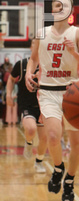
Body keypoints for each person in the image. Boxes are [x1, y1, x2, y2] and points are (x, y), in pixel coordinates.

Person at [25, 0, 79, 201]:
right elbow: (33, 60)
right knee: (53, 136)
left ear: (70, 11)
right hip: (47, 92)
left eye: (64, 5)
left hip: (72, 93)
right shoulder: (41, 33)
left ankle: (70, 181)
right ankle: (58, 167)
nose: (59, 8)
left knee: (77, 144)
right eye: (56, 5)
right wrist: (29, 72)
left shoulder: (78, 33)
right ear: (52, 10)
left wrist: (74, 54)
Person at [6, 40, 48, 172]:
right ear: (31, 47)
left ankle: (38, 162)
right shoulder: (22, 64)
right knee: (30, 129)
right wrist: (8, 94)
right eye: (35, 44)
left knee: (44, 138)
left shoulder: (48, 66)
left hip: (44, 106)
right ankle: (29, 142)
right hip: (27, 105)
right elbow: (11, 79)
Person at [0, 56, 13, 126]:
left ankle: (10, 119)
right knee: (4, 103)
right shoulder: (2, 66)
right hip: (4, 85)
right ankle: (4, 119)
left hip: (11, 85)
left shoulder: (11, 66)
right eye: (6, 59)